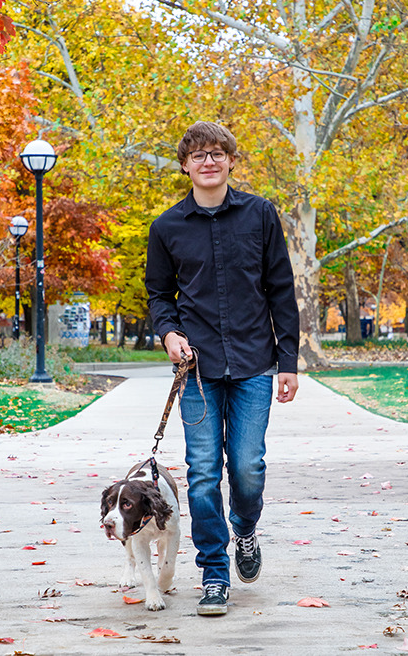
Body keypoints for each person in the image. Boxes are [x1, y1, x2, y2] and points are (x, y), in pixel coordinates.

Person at [145, 121, 299, 616]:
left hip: (255, 362)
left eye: (217, 153)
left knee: (248, 468)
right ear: (185, 165)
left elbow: (281, 289)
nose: (208, 162)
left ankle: (246, 530)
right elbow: (158, 296)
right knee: (204, 473)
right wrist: (169, 334)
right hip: (198, 371)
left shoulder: (259, 215)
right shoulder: (166, 227)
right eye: (198, 155)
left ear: (231, 160)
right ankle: (213, 572)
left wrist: (288, 361)